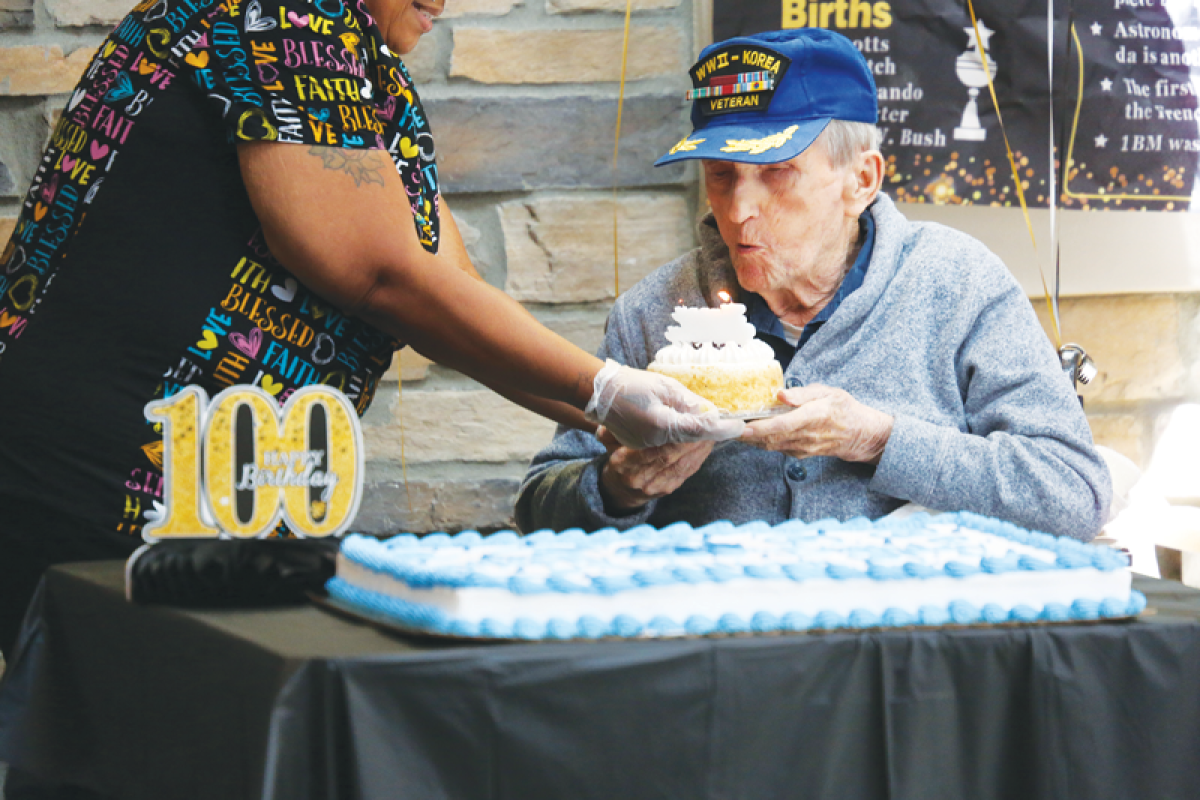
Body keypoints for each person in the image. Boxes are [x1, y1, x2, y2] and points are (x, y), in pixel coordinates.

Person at [0, 0, 742, 689]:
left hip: (210, 497)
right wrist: (607, 390)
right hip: (112, 486)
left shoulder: (365, 69)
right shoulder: (284, 21)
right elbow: (380, 273)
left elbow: (448, 295)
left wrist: (617, 418)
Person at [516, 28, 1112, 542]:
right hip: (725, 654)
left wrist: (879, 440)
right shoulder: (653, 313)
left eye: (777, 173)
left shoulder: (958, 286)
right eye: (721, 175)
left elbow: (1074, 491)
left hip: (909, 651)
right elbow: (538, 505)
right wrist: (615, 488)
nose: (738, 210)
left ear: (860, 180)